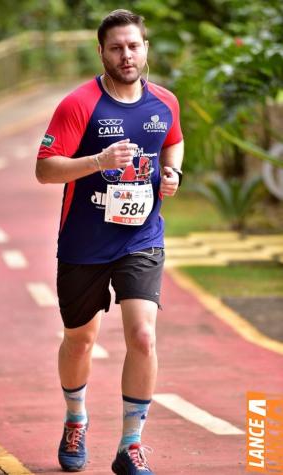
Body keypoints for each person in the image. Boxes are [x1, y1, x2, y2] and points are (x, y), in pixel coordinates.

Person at [36, 9, 184, 474]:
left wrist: (173, 170)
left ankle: (130, 444)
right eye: (116, 47)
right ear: (101, 52)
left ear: (145, 49)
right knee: (80, 341)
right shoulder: (78, 104)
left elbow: (172, 139)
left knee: (142, 335)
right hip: (84, 241)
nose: (126, 55)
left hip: (141, 237)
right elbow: (45, 168)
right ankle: (76, 419)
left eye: (134, 46)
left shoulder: (164, 102)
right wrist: (98, 160)